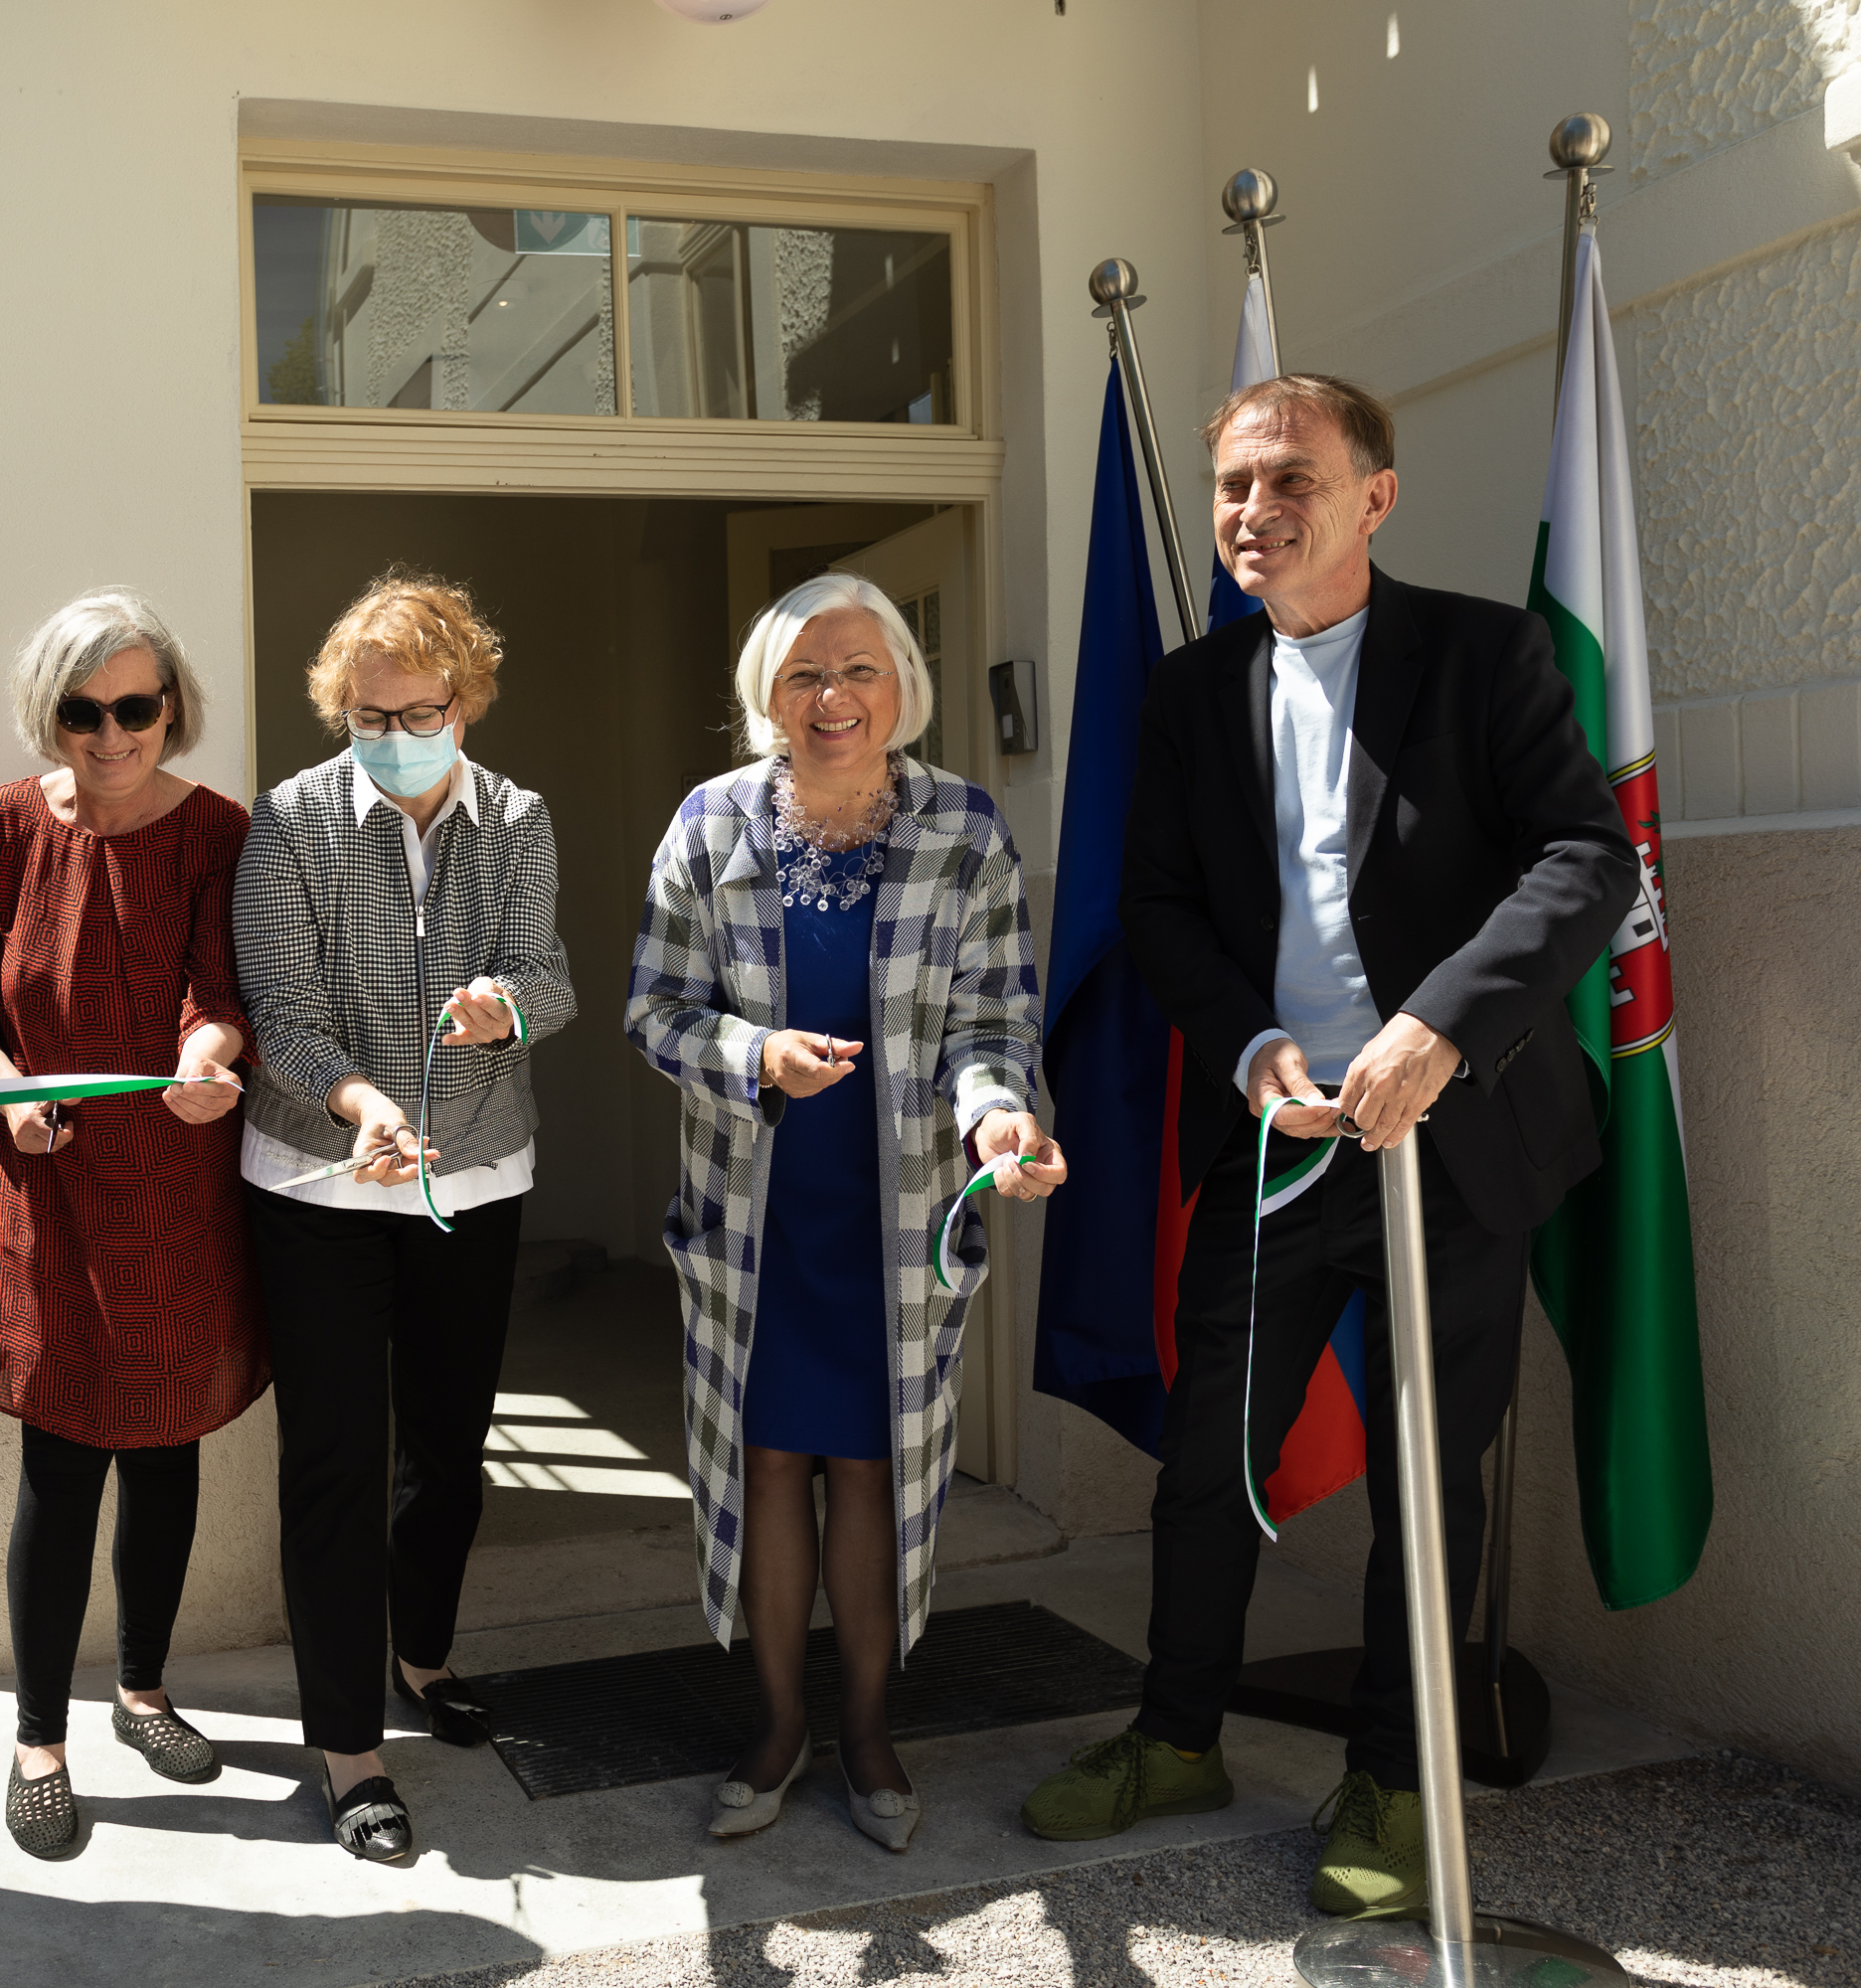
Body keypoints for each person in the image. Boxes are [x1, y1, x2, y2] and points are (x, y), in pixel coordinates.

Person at [1019, 374, 1636, 1916]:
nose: (1252, 510)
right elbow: (1155, 905)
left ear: (1376, 496)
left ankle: (1394, 1773)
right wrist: (1247, 1044)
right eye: (1232, 484)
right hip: (1280, 1140)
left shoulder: (1484, 655)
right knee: (1208, 1456)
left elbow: (1584, 857)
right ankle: (1177, 1735)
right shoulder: (1187, 693)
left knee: (1433, 1480)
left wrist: (1442, 1027)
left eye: (1290, 479)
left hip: (1459, 1135)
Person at [627, 572, 1061, 1855]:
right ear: (770, 691)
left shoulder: (965, 829)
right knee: (767, 1473)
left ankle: (870, 1732)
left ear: (903, 688)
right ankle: (774, 1729)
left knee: (873, 1475)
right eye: (808, 674)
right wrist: (753, 1056)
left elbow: (994, 1022)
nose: (834, 699)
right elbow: (657, 1014)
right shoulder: (708, 826)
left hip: (897, 1221)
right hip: (757, 1220)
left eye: (860, 671)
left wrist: (997, 1118)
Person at [0, 586, 266, 1860]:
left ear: (170, 706)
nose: (112, 733)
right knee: (60, 1467)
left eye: (135, 706)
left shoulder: (218, 831)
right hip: (46, 1189)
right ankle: (39, 1737)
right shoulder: (10, 826)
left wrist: (205, 1056)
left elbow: (223, 989)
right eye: (84, 709)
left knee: (165, 1449)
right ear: (50, 712)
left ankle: (146, 1689)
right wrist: (7, 1094)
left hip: (173, 1186)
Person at [231, 570, 574, 1864]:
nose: (394, 736)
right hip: (320, 1181)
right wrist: (361, 1106)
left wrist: (510, 1007)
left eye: (419, 711)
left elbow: (551, 978)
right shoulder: (291, 824)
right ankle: (350, 1752)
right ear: (342, 711)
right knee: (334, 1466)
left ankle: (422, 1657)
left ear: (466, 703)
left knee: (447, 1447)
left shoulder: (520, 822)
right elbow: (283, 1014)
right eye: (369, 716)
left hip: (472, 1177)